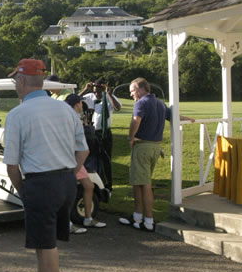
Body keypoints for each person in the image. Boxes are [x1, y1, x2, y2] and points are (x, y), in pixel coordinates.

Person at [4, 59, 89, 272]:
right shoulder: (65, 110)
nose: (15, 85)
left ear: (21, 80)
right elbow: (83, 150)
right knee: (44, 248)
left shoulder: (18, 114)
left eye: (15, 80)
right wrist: (68, 173)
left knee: (49, 257)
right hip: (66, 182)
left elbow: (12, 166)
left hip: (41, 185)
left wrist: (24, 192)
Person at [120, 77, 194, 232]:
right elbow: (172, 116)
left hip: (143, 147)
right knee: (139, 183)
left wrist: (130, 137)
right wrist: (188, 119)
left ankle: (148, 220)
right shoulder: (159, 103)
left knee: (144, 184)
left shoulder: (141, 103)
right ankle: (138, 217)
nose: (131, 95)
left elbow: (136, 121)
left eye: (132, 91)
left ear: (140, 89)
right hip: (155, 147)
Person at [45, 76, 87, 235]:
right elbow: (83, 149)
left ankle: (63, 223)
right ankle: (63, 224)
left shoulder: (63, 101)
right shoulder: (58, 100)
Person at [65, 94, 106, 228]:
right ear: (77, 104)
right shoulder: (73, 118)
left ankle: (88, 218)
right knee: (67, 189)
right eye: (81, 104)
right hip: (71, 158)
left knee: (89, 186)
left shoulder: (70, 116)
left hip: (73, 156)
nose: (82, 106)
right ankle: (68, 223)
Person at [79, 78, 122, 192]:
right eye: (95, 87)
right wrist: (85, 89)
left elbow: (117, 107)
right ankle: (95, 182)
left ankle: (108, 185)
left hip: (105, 132)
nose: (96, 90)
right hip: (92, 132)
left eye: (99, 88)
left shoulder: (108, 97)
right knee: (92, 158)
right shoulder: (89, 97)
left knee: (106, 159)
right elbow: (74, 101)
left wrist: (108, 94)